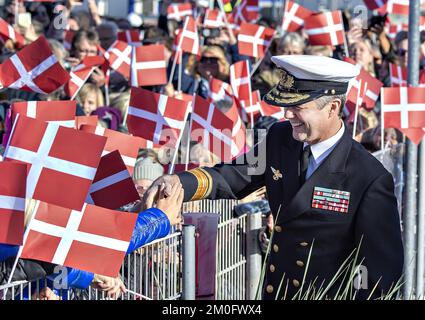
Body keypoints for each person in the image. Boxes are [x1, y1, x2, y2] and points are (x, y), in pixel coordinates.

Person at [144, 55, 404, 300]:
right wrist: (179, 182)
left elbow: (381, 273)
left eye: (298, 107)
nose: (287, 115)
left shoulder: (369, 177)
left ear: (333, 107)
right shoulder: (281, 138)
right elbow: (233, 176)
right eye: (286, 106)